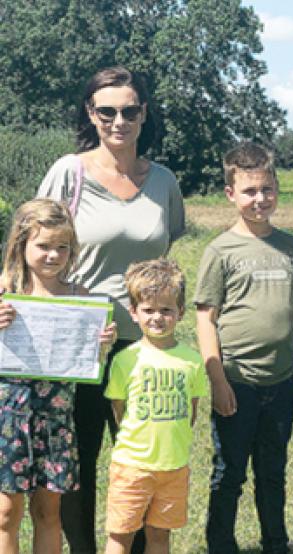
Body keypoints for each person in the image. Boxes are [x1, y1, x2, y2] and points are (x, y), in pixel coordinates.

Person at [36, 66, 184, 554]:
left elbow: (168, 257)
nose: (118, 121)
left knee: (142, 460)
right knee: (78, 459)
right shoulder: (68, 173)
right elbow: (32, 246)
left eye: (129, 110)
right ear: (91, 113)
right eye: (107, 111)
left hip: (145, 345)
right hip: (78, 343)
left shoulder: (164, 181)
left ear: (144, 114)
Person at [195, 142, 293, 554]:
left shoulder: (291, 247)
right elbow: (205, 318)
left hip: (280, 382)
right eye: (249, 192)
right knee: (229, 472)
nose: (259, 199)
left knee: (272, 471)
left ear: (277, 189)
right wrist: (217, 380)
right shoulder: (220, 250)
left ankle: (275, 543)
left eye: (266, 190)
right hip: (236, 382)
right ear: (231, 194)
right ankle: (221, 544)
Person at [0, 199, 116, 553]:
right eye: (44, 246)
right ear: (21, 244)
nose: (53, 255)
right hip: (8, 416)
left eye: (62, 247)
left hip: (56, 418)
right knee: (6, 512)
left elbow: (86, 362)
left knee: (49, 511)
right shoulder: (4, 290)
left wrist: (101, 345)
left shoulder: (81, 298)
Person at [103, 259, 207, 554]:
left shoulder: (192, 360)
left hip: (173, 467)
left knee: (160, 537)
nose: (157, 317)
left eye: (166, 310)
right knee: (120, 536)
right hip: (132, 467)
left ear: (181, 312)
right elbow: (119, 409)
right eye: (148, 310)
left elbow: (191, 413)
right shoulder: (126, 359)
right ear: (134, 313)